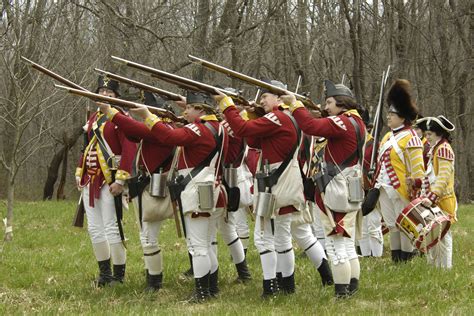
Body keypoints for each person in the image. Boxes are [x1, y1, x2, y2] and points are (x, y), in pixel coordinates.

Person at [131, 90, 228, 302]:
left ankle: (202, 293)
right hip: (210, 188)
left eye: (190, 108)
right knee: (207, 243)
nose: (185, 112)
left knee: (199, 246)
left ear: (201, 110)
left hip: (197, 190)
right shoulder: (219, 127)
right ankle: (211, 288)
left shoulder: (200, 129)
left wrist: (148, 116)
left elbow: (169, 136)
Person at [215, 80, 305, 297]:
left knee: (263, 238)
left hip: (275, 184)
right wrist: (247, 115)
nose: (261, 100)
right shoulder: (285, 118)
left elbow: (243, 130)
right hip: (283, 182)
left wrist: (227, 104)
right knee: (282, 237)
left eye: (265, 96)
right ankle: (287, 285)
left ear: (278, 98)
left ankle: (269, 286)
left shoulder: (277, 117)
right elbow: (253, 140)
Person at [287, 80, 366, 298]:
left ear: (341, 104)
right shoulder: (356, 122)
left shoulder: (342, 122)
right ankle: (351, 289)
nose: (327, 106)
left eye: (330, 102)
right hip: (349, 186)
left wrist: (295, 105)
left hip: (336, 189)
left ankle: (341, 294)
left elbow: (310, 127)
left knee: (335, 245)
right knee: (347, 245)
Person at [97, 91, 176, 292]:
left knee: (148, 237)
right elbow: (132, 132)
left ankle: (154, 282)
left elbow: (133, 128)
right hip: (146, 187)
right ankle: (152, 277)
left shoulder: (161, 129)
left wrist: (111, 112)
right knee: (147, 236)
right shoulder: (159, 128)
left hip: (152, 188)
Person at [75, 76, 135, 287]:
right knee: (94, 228)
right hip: (90, 179)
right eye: (101, 92)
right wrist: (79, 171)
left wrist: (120, 180)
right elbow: (87, 147)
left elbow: (129, 149)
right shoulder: (93, 118)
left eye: (109, 93)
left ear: (116, 97)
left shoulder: (120, 117)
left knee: (112, 227)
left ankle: (118, 276)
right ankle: (104, 274)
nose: (104, 96)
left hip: (109, 179)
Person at [372, 79, 425, 263]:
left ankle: (407, 259)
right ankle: (396, 259)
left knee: (405, 225)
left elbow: (418, 168)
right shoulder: (387, 136)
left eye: (392, 114)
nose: (388, 117)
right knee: (391, 224)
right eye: (388, 114)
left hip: (402, 189)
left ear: (402, 117)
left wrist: (416, 184)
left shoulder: (411, 138)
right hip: (384, 187)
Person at [416, 115, 457, 269]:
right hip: (433, 199)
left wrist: (432, 197)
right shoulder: (435, 149)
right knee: (433, 234)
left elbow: (443, 178)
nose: (427, 138)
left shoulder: (444, 149)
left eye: (429, 135)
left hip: (443, 199)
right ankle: (435, 266)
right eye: (426, 135)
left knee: (444, 235)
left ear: (439, 134)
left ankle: (445, 267)